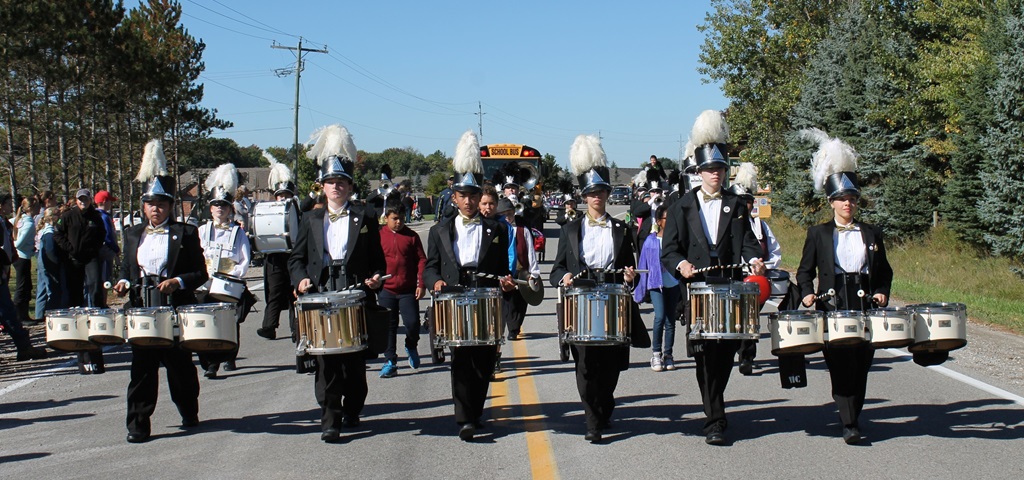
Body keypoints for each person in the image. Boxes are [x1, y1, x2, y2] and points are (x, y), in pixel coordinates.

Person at [660, 110, 765, 446]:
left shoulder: (736, 203)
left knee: (726, 354)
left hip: (730, 288)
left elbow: (748, 242)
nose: (714, 175)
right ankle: (715, 419)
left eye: (719, 169)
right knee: (705, 355)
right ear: (699, 172)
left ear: (724, 171)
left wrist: (755, 260)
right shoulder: (680, 206)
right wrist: (682, 267)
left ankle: (715, 406)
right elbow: (669, 250)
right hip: (698, 291)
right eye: (708, 170)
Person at [289, 124, 386, 443]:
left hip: (356, 295)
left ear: (349, 185)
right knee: (325, 364)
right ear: (323, 186)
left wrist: (374, 279)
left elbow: (377, 260)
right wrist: (301, 278)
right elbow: (296, 258)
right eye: (331, 182)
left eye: (341, 181)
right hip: (321, 297)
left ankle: (353, 407)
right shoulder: (310, 219)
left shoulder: (365, 216)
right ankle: (329, 418)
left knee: (354, 367)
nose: (336, 187)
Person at [796, 128, 893, 445]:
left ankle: (855, 412)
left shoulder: (871, 232)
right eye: (842, 200)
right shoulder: (818, 234)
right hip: (832, 305)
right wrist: (808, 292)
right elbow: (804, 271)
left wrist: (881, 291)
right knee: (839, 365)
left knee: (862, 364)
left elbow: (885, 271)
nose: (847, 204)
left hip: (865, 305)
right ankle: (849, 421)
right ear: (831, 203)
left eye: (851, 199)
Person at [550, 134, 645, 444]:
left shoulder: (622, 229)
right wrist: (563, 278)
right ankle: (592, 420)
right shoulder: (570, 229)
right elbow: (556, 270)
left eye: (601, 192)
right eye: (592, 193)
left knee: (611, 366)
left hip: (614, 304)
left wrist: (631, 277)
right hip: (581, 304)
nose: (597, 198)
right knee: (586, 365)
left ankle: (604, 405)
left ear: (607, 194)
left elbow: (632, 272)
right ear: (584, 196)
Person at [112, 138, 207, 443]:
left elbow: (200, 273)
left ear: (169, 206)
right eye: (151, 203)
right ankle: (138, 424)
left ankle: (188, 411)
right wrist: (124, 284)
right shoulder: (131, 234)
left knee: (180, 370)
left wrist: (178, 282)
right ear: (144, 205)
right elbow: (127, 271)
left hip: (175, 309)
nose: (156, 208)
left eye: (162, 203)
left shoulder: (186, 233)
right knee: (142, 370)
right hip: (142, 310)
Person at [424, 130, 516, 441]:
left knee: (484, 361)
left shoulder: (496, 228)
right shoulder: (439, 230)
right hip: (454, 299)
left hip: (487, 298)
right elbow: (430, 267)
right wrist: (434, 282)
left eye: (473, 196)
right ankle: (464, 418)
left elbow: (503, 267)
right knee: (461, 359)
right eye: (462, 196)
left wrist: (506, 281)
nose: (467, 201)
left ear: (480, 197)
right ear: (454, 197)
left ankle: (476, 411)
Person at [196, 163, 253, 378]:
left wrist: (233, 277)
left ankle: (229, 356)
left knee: (229, 322)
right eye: (216, 205)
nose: (220, 208)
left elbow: (244, 259)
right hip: (206, 283)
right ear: (210, 208)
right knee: (206, 322)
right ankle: (210, 363)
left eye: (224, 205)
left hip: (229, 283)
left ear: (230, 209)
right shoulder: (201, 231)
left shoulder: (237, 233)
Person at [727, 163, 782, 375]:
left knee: (750, 319)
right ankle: (732, 350)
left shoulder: (760, 225)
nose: (746, 206)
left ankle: (747, 357)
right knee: (734, 318)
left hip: (755, 281)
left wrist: (763, 267)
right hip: (734, 278)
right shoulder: (727, 226)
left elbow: (775, 252)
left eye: (748, 202)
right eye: (741, 202)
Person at [54, 188, 109, 374]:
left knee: (95, 285)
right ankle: (76, 317)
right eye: (80, 199)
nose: (83, 201)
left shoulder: (96, 217)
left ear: (90, 200)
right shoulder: (68, 216)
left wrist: (95, 248)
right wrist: (69, 248)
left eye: (85, 199)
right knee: (74, 290)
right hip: (73, 258)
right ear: (76, 201)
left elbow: (102, 234)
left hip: (91, 257)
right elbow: (57, 233)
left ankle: (98, 311)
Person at [377, 200, 426, 378]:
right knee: (388, 327)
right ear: (386, 218)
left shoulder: (411, 236)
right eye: (395, 218)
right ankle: (390, 361)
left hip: (407, 289)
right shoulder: (379, 236)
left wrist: (421, 284)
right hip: (386, 289)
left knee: (412, 324)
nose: (399, 222)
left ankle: (411, 345)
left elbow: (422, 260)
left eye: (402, 218)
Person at [0, 193, 48, 361]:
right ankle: (24, 347)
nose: (10, 207)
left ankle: (24, 346)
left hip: (4, 268)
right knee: (7, 311)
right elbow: (5, 247)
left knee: (7, 311)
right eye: (7, 203)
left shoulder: (4, 222)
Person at [258, 158, 300, 341]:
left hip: (294, 257)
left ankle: (296, 329)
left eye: (287, 194)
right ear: (276, 196)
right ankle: (269, 326)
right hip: (275, 258)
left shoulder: (298, 211)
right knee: (274, 292)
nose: (283, 198)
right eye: (280, 195)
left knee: (294, 295)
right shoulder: (267, 211)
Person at [634, 204, 680, 372]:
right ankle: (655, 354)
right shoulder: (651, 241)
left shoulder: (676, 240)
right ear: (659, 221)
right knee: (659, 317)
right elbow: (642, 264)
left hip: (673, 283)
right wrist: (641, 286)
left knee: (670, 320)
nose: (670, 222)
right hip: (655, 283)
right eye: (667, 218)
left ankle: (668, 354)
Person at [86, 190, 120, 311]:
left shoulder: (95, 215)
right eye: (110, 201)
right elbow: (107, 235)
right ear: (105, 202)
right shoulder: (104, 216)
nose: (111, 204)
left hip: (98, 251)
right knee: (105, 277)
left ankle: (101, 301)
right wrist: (116, 249)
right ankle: (102, 302)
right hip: (105, 250)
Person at [35, 206, 67, 321]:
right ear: (53, 218)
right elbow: (50, 250)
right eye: (58, 215)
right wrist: (56, 264)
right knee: (53, 290)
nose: (60, 218)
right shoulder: (49, 233)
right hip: (49, 264)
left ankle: (39, 315)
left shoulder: (44, 229)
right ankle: (50, 313)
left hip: (42, 262)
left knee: (42, 290)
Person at [12, 196, 38, 324]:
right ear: (31, 208)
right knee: (22, 287)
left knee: (26, 285)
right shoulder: (28, 224)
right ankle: (19, 316)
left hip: (21, 257)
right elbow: (18, 243)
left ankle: (23, 315)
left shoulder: (20, 220)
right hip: (22, 257)